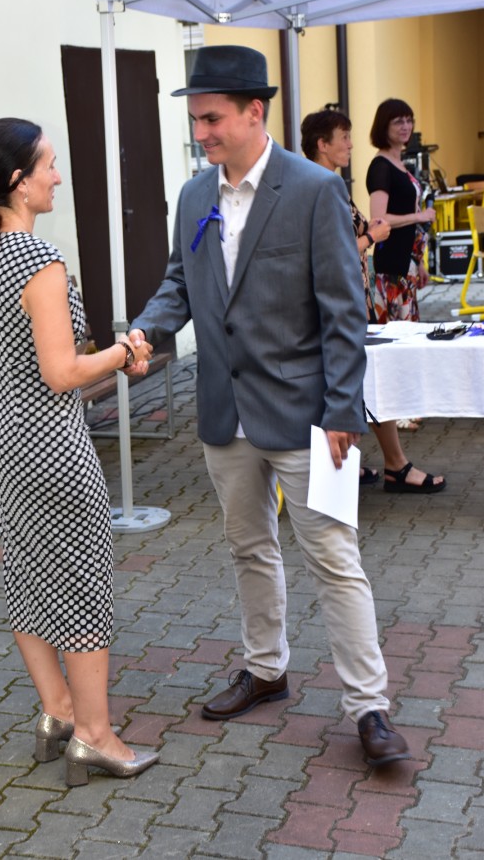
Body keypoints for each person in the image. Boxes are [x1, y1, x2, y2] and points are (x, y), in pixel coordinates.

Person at [128, 46, 410, 766]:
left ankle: (369, 706)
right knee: (248, 547)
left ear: (255, 112)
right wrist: (144, 331)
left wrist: (343, 409)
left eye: (212, 118)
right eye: (195, 119)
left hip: (308, 416)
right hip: (224, 414)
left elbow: (343, 312)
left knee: (334, 558)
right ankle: (265, 670)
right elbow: (179, 283)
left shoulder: (314, 189)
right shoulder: (194, 195)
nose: (201, 133)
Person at [0, 117, 158, 787]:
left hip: (1, 442)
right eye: (49, 166)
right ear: (19, 181)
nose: (58, 178)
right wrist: (122, 352)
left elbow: (38, 357)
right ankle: (96, 736)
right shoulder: (38, 259)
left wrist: (114, 357)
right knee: (83, 583)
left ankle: (59, 711)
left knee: (29, 573)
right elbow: (61, 371)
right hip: (48, 445)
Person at [301, 108, 445, 495]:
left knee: (358, 380)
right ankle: (390, 465)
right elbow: (330, 254)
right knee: (366, 379)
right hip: (338, 305)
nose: (351, 145)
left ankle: (348, 463)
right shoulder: (320, 187)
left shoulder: (326, 183)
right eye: (344, 137)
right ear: (322, 144)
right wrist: (373, 237)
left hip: (350, 299)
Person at [366, 98, 436, 324]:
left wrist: (418, 262)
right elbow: (379, 219)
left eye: (409, 120)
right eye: (398, 121)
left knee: (409, 329)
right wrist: (420, 216)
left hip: (407, 262)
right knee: (398, 334)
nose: (406, 126)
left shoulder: (399, 164)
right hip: (392, 264)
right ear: (383, 126)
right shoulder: (381, 167)